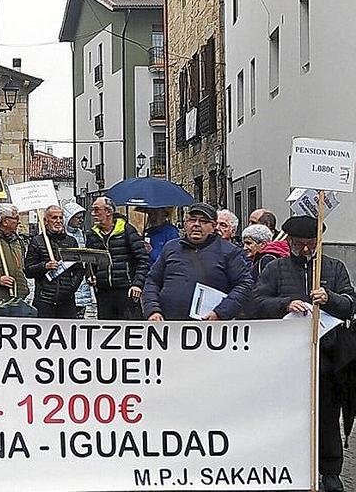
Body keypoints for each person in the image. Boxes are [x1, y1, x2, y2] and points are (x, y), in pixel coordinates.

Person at [252, 215, 356, 492]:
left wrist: (330, 298)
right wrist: (286, 303)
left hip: (327, 356)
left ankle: (330, 471)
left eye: (312, 244)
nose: (307, 250)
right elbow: (258, 303)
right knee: (287, 414)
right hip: (287, 359)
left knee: (328, 416)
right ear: (290, 243)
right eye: (301, 244)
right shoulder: (275, 269)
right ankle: (289, 465)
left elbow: (349, 304)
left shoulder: (334, 268)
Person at [142, 203, 254, 321]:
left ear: (213, 226)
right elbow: (152, 281)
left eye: (203, 221)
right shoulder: (171, 247)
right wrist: (152, 310)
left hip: (210, 327)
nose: (196, 225)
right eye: (192, 220)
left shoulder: (229, 251)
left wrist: (220, 312)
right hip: (169, 325)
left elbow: (244, 285)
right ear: (185, 224)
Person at [86, 197, 150, 320]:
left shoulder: (127, 230)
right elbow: (90, 262)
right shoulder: (92, 235)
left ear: (108, 212)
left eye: (97, 210)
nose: (93, 214)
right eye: (92, 210)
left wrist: (137, 284)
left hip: (126, 290)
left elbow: (143, 260)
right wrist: (90, 275)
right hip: (104, 292)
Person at [25, 205, 84, 318]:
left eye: (61, 218)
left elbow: (79, 270)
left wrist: (71, 288)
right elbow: (28, 271)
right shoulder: (37, 242)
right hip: (44, 300)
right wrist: (44, 266)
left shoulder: (71, 242)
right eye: (54, 218)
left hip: (66, 301)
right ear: (46, 221)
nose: (58, 221)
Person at [63, 201, 93, 317]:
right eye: (77, 218)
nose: (80, 220)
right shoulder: (62, 234)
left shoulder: (82, 234)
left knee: (80, 310)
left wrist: (89, 274)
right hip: (68, 275)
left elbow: (87, 256)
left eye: (82, 218)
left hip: (81, 276)